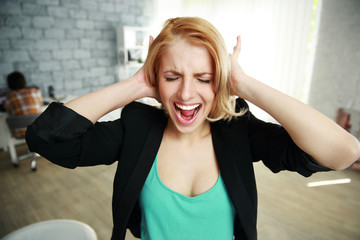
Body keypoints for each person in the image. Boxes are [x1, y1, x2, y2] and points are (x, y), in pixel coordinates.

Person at [25, 17, 360, 240]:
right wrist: (137, 83)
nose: (186, 94)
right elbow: (47, 137)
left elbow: (343, 153)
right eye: (172, 77)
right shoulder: (137, 127)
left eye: (204, 79)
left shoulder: (238, 128)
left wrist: (243, 83)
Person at [4, 71, 43, 137]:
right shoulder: (35, 91)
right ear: (24, 81)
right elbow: (41, 104)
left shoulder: (8, 97)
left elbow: (8, 111)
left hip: (20, 133)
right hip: (40, 130)